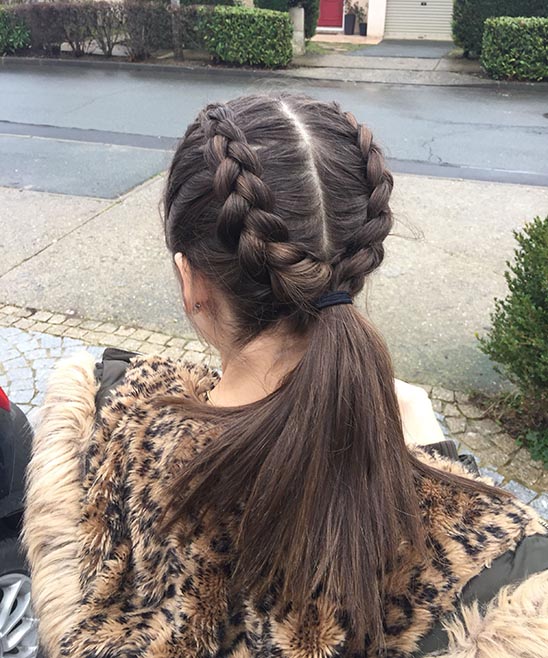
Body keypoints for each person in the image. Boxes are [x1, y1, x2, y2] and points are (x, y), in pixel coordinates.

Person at [24, 94, 547, 658]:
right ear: (357, 265)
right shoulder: (497, 575)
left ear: (192, 283)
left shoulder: (104, 428)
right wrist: (440, 456)